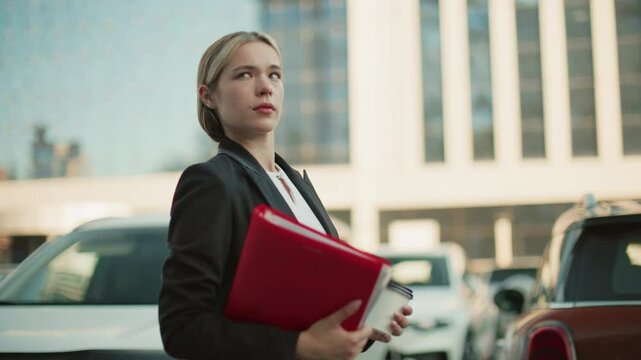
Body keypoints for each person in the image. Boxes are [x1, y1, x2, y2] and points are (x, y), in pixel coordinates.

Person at [158, 31, 412, 360]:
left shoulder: (297, 184)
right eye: (245, 74)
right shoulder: (211, 183)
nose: (265, 86)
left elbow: (312, 316)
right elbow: (182, 328)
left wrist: (364, 324)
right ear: (209, 96)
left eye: (274, 74)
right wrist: (299, 347)